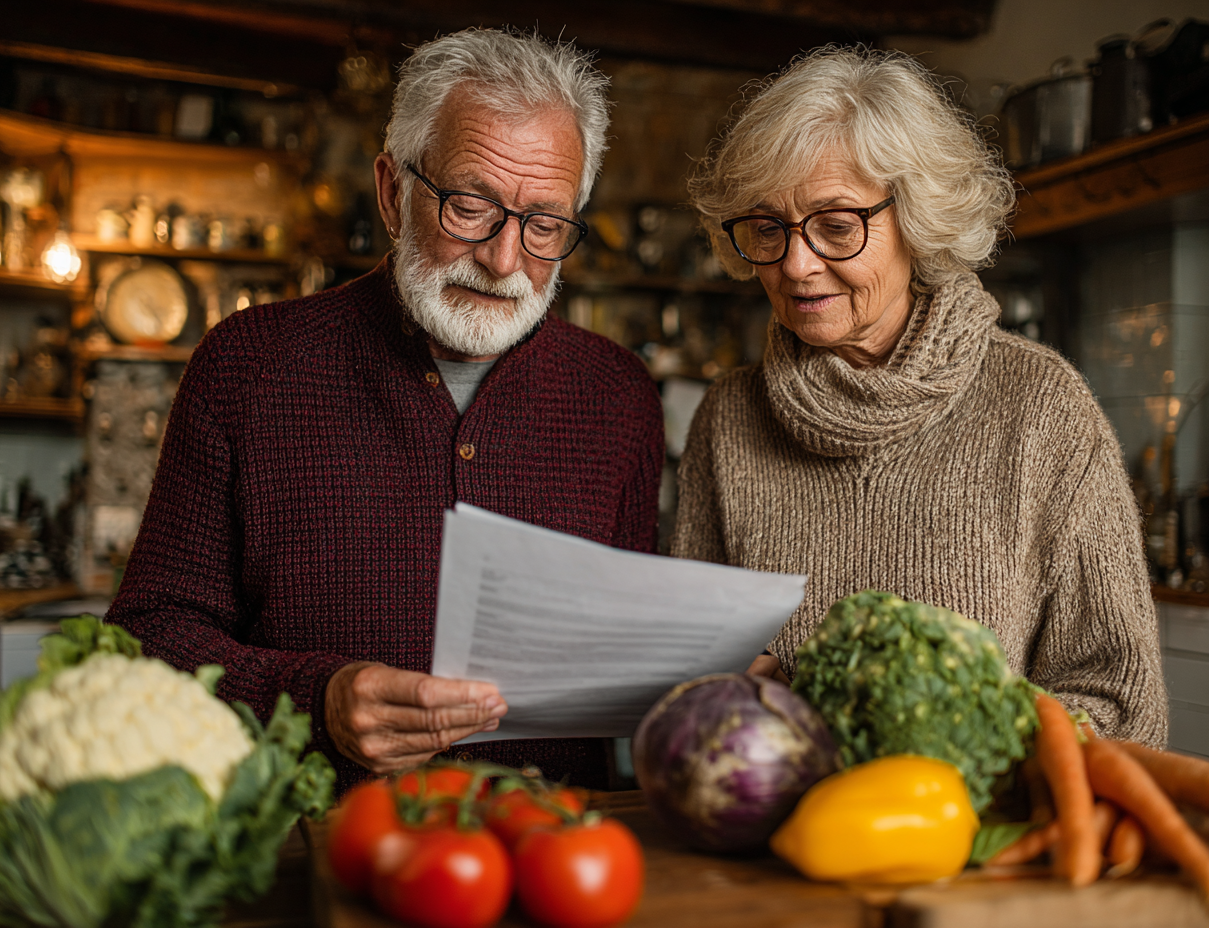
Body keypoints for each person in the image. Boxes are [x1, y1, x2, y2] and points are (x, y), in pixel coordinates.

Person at [107, 28, 665, 791]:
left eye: (545, 224)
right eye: (471, 206)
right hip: (312, 853)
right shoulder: (246, 367)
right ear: (393, 192)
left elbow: (621, 656)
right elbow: (144, 638)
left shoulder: (620, 395)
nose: (506, 262)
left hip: (554, 862)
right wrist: (317, 700)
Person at [674, 46, 1166, 745]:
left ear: (918, 218)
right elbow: (691, 687)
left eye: (837, 226)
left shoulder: (1039, 405)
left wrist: (953, 748)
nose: (796, 264)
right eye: (767, 229)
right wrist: (722, 689)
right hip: (773, 838)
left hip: (978, 839)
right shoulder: (728, 417)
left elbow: (1120, 698)